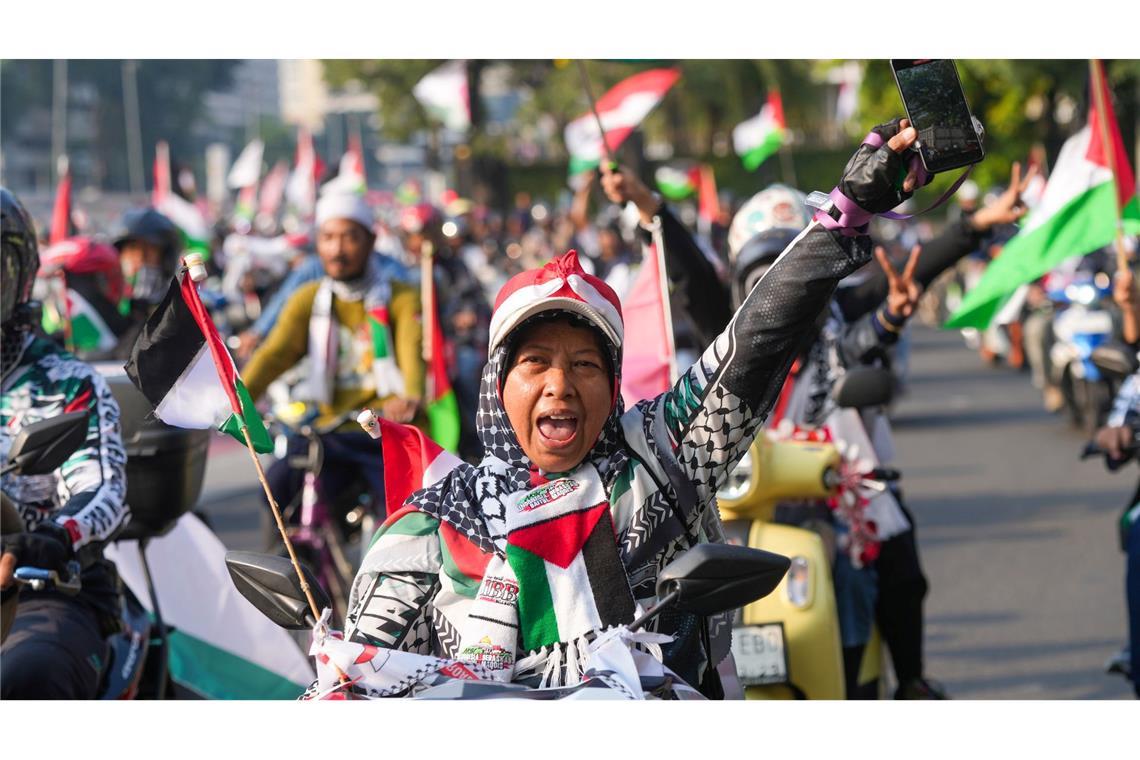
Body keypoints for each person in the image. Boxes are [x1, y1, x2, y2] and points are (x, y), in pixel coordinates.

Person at [332, 118, 924, 698]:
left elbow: (753, 346)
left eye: (585, 365)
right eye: (535, 362)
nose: (560, 384)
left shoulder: (658, 464)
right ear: (496, 384)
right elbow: (361, 673)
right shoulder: (437, 517)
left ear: (613, 386)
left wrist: (847, 211)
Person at [0, 187, 130, 698]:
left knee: (27, 680)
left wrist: (47, 539)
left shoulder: (64, 383)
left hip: (45, 591)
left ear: (16, 275)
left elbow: (103, 490)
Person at [241, 192, 425, 531]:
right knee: (278, 492)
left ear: (370, 241)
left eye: (349, 237)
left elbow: (412, 354)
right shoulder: (308, 300)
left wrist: (409, 396)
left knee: (404, 522)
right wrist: (239, 400)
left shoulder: (400, 297)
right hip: (328, 431)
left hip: (384, 433)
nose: (337, 249)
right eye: (328, 238)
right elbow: (274, 354)